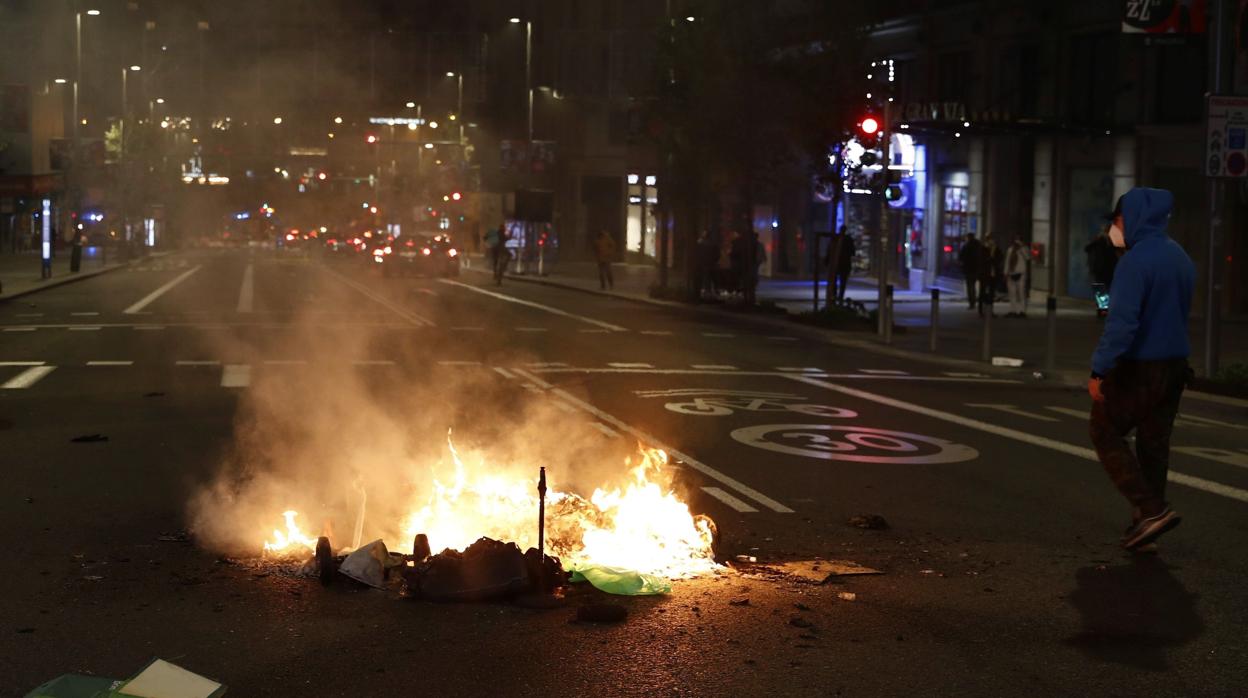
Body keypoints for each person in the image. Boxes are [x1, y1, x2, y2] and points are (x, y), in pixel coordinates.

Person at [1088, 187, 1195, 551]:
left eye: (1117, 220)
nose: (1115, 228)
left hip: (1140, 366)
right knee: (1153, 443)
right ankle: (1147, 523)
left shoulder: (1134, 262)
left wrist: (1100, 370)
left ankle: (1150, 510)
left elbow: (1122, 325)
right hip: (1175, 367)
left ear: (1132, 218)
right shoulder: (1179, 256)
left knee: (1104, 429)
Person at [1084, 227, 1119, 318]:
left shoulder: (1098, 241)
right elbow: (1111, 257)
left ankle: (1103, 311)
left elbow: (1088, 249)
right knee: (1106, 290)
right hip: (1106, 270)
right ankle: (1105, 311)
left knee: (1101, 291)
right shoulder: (1106, 242)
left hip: (1099, 270)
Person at [824, 226, 856, 303]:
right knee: (838, 281)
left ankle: (838, 296)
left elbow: (852, 252)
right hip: (839, 263)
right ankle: (837, 296)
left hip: (842, 264)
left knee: (841, 282)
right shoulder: (839, 239)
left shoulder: (844, 239)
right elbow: (830, 250)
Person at [1005, 237, 1029, 318]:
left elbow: (1028, 257)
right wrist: (1005, 272)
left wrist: (1021, 247)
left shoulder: (1024, 249)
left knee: (1021, 293)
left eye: (1018, 240)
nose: (1016, 241)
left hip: (1021, 274)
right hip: (1011, 274)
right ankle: (1013, 310)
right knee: (1012, 293)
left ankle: (1022, 311)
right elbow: (1007, 261)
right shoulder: (1010, 250)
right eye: (1015, 240)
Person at [977, 237, 1002, 317]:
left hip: (993, 274)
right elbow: (983, 261)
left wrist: (994, 252)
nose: (992, 242)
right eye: (990, 240)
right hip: (984, 274)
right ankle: (982, 311)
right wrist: (990, 255)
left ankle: (990, 311)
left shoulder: (996, 250)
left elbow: (999, 259)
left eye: (993, 240)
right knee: (983, 293)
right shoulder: (983, 249)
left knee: (991, 293)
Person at [958, 234, 981, 310]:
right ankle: (974, 301)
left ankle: (972, 302)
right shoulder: (978, 246)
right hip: (976, 269)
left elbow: (961, 257)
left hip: (968, 269)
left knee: (970, 286)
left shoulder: (966, 246)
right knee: (973, 285)